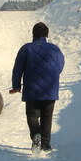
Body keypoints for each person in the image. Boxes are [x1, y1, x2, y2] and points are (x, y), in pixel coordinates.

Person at [9, 22, 65, 152]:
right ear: (46, 34)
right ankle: (45, 144)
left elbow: (17, 69)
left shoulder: (26, 49)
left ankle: (35, 135)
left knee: (32, 115)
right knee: (47, 117)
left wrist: (16, 86)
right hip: (50, 88)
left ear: (33, 34)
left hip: (31, 89)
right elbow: (60, 66)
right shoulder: (55, 49)